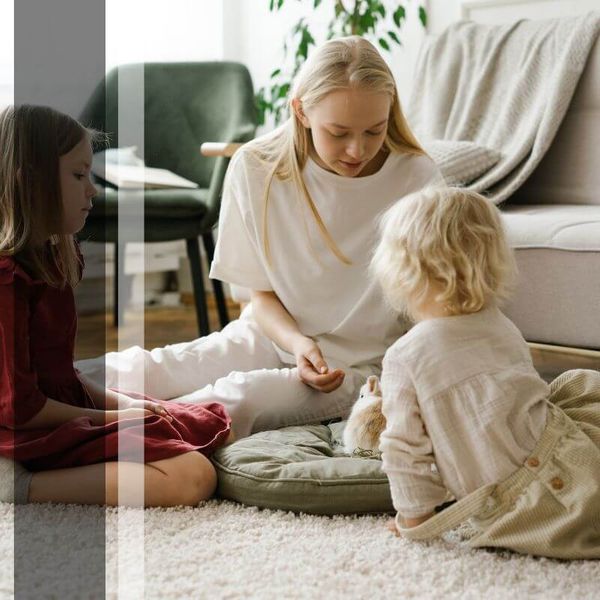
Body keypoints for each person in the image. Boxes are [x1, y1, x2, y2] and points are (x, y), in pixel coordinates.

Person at [77, 36, 443, 444]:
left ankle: (82, 442)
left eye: (374, 131)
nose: (357, 150)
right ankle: (31, 396)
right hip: (272, 335)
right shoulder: (256, 168)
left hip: (359, 367)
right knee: (158, 367)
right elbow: (258, 298)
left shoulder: (417, 178)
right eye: (338, 133)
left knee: (238, 399)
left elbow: (432, 306)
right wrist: (298, 343)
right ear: (301, 111)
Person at [0, 104, 232, 507]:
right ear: (30, 182)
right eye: (78, 175)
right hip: (23, 430)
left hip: (54, 414)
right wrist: (112, 419)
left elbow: (60, 376)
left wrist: (127, 405)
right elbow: (20, 409)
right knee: (190, 476)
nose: (92, 189)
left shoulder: (50, 256)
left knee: (195, 420)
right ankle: (15, 486)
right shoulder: (7, 281)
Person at [371, 186, 600, 559]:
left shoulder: (404, 356)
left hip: (518, 504)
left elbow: (404, 450)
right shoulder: (500, 324)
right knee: (580, 385)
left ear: (402, 271)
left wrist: (415, 521)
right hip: (568, 457)